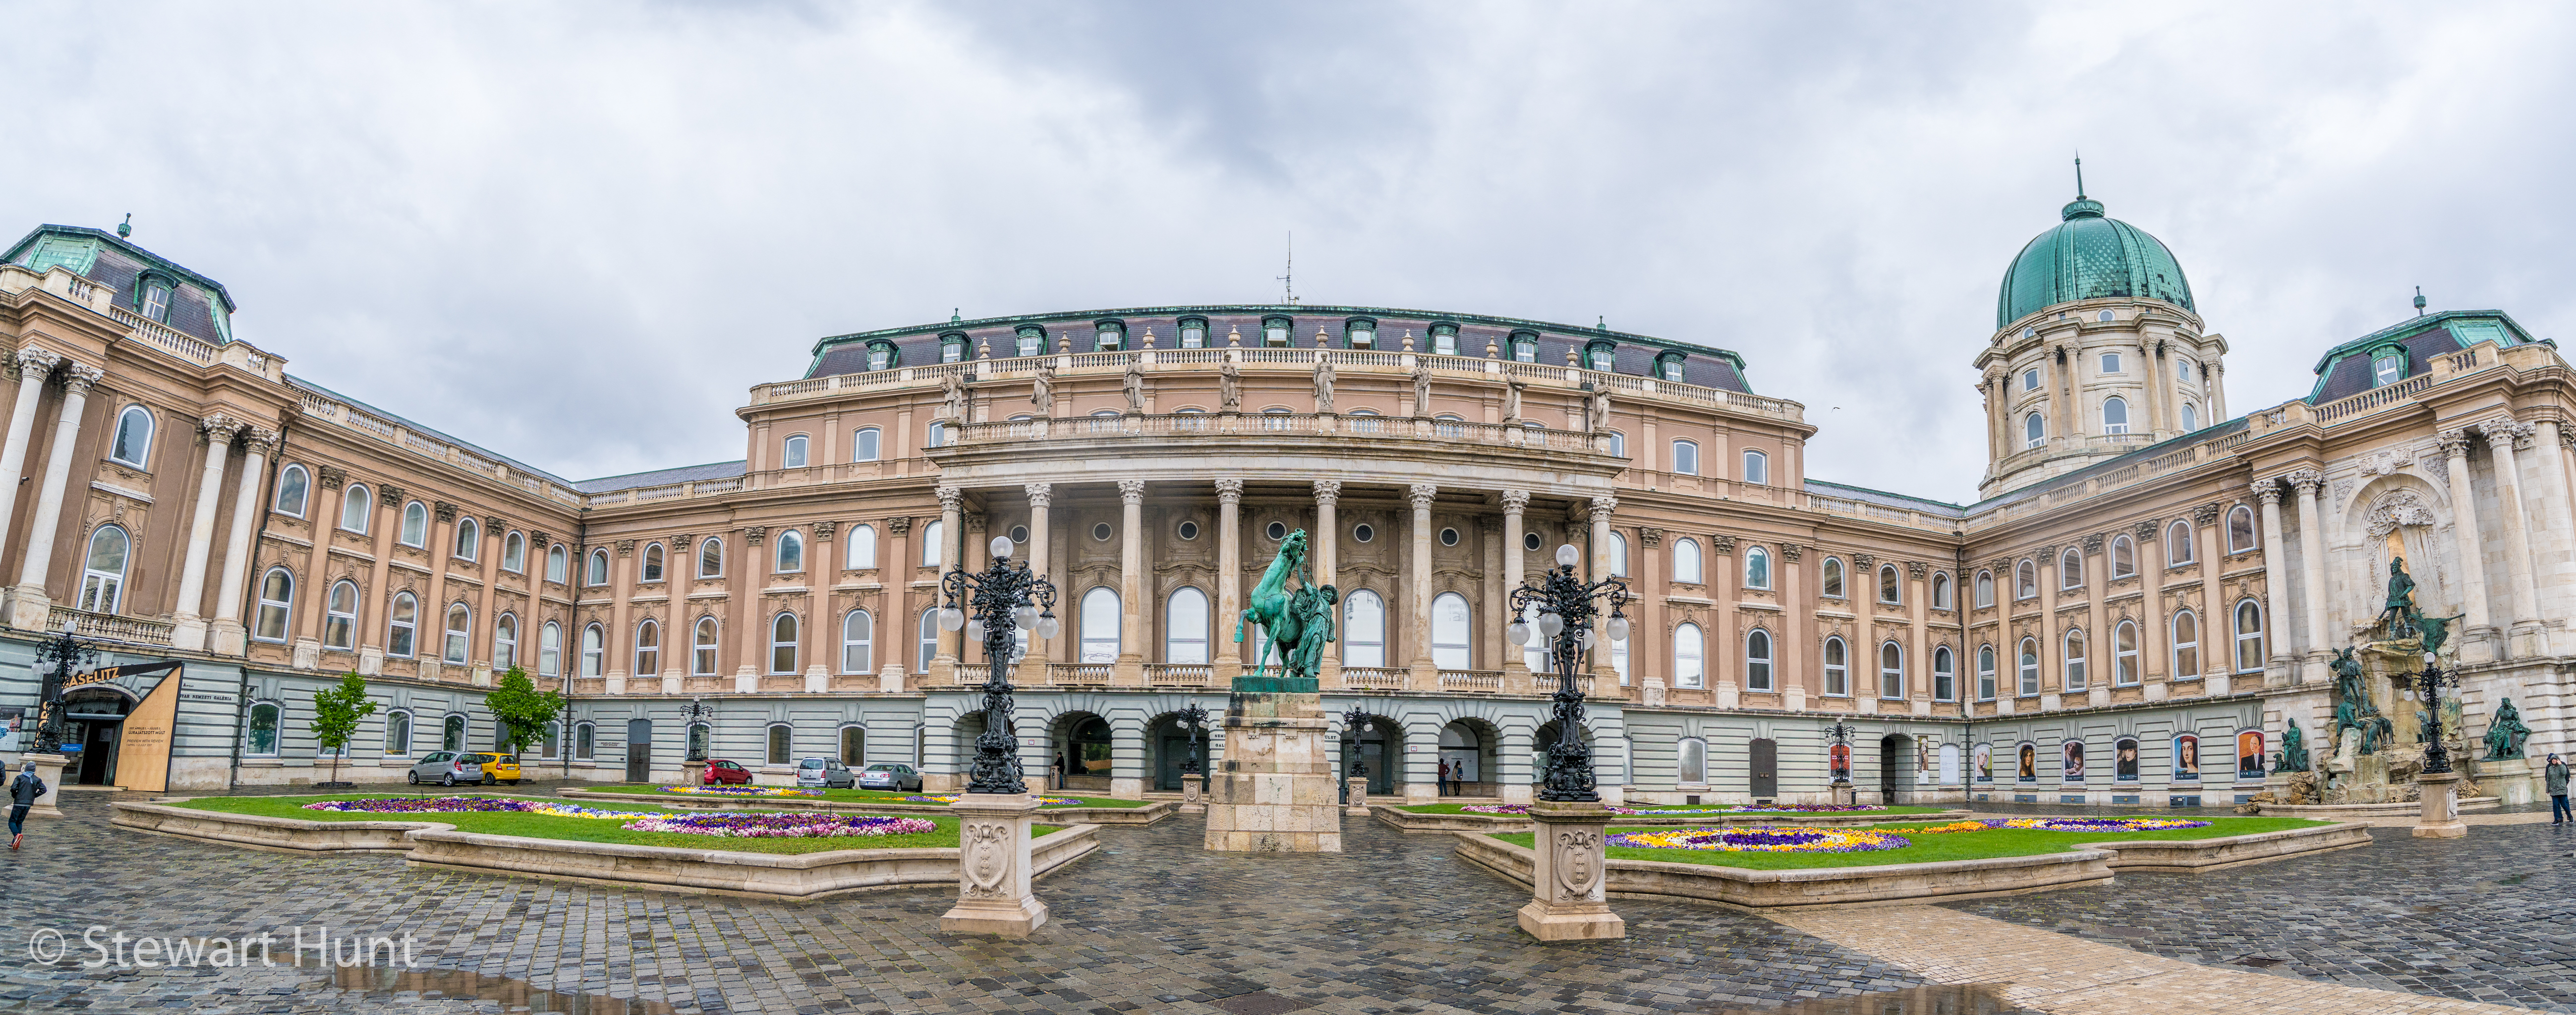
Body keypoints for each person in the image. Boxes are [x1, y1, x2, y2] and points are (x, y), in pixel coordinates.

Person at [9, 760, 44, 850]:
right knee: (19, 822)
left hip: (19, 803)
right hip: (28, 804)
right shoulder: (37, 779)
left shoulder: (20, 777)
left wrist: (15, 796)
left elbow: (13, 788)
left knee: (12, 822)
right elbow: (44, 790)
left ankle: (16, 835)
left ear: (26, 769)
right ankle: (15, 842)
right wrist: (34, 796)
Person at [2548, 753, 2570, 826]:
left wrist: (2564, 784)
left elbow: (2566, 774)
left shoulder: (2562, 765)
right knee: (2556, 805)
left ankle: (2569, 815)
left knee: (2564, 803)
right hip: (2554, 789)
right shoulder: (2549, 767)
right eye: (2552, 759)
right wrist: (2548, 788)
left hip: (2562, 789)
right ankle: (2558, 819)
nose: (2553, 760)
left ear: (2558, 760)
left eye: (2555, 759)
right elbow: (2548, 778)